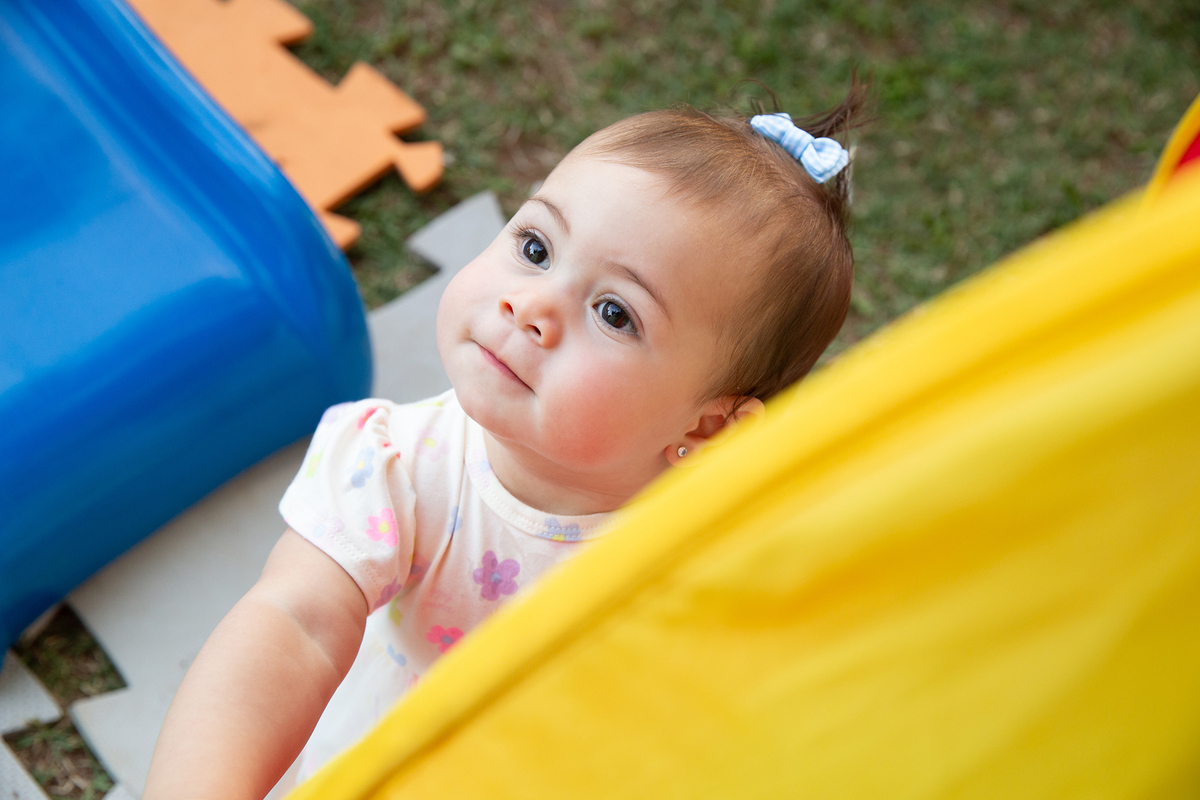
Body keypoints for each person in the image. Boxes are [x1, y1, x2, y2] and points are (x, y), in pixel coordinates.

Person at [143, 87, 866, 799]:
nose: (531, 305)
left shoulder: (704, 563)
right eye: (535, 245)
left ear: (705, 427)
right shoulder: (398, 463)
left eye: (614, 312)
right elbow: (295, 623)